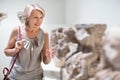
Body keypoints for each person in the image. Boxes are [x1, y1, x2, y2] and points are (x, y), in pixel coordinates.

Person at [4, 3, 54, 80]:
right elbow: (6, 52)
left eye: (41, 17)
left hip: (36, 76)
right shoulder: (17, 30)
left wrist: (48, 57)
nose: (39, 21)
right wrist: (15, 49)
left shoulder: (45, 35)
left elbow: (45, 61)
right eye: (35, 17)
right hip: (16, 76)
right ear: (27, 18)